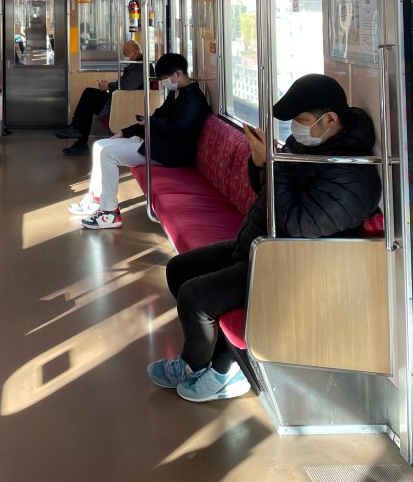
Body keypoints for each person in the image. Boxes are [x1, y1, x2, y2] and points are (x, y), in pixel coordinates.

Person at [148, 73, 382, 403]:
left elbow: (296, 223)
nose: (297, 129)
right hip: (259, 245)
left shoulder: (352, 175)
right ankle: (219, 354)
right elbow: (267, 193)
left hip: (290, 265)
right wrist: (261, 165)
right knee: (179, 270)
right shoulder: (311, 145)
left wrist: (272, 167)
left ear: (329, 119)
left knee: (195, 297)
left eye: (302, 121)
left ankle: (211, 369)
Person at [74, 53, 209, 228]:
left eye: (165, 78)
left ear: (177, 74)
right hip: (159, 142)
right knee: (100, 145)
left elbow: (179, 130)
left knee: (108, 154)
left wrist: (151, 123)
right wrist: (125, 132)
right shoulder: (177, 94)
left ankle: (109, 213)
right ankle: (97, 199)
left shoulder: (194, 100)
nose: (164, 83)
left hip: (170, 152)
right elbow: (157, 118)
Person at [56, 40, 149, 156]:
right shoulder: (135, 65)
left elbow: (128, 85)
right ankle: (78, 134)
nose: (124, 56)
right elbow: (125, 85)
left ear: (135, 53)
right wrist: (108, 86)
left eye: (126, 53)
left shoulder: (141, 66)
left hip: (127, 104)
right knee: (89, 96)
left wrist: (108, 86)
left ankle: (78, 133)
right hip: (121, 99)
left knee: (90, 96)